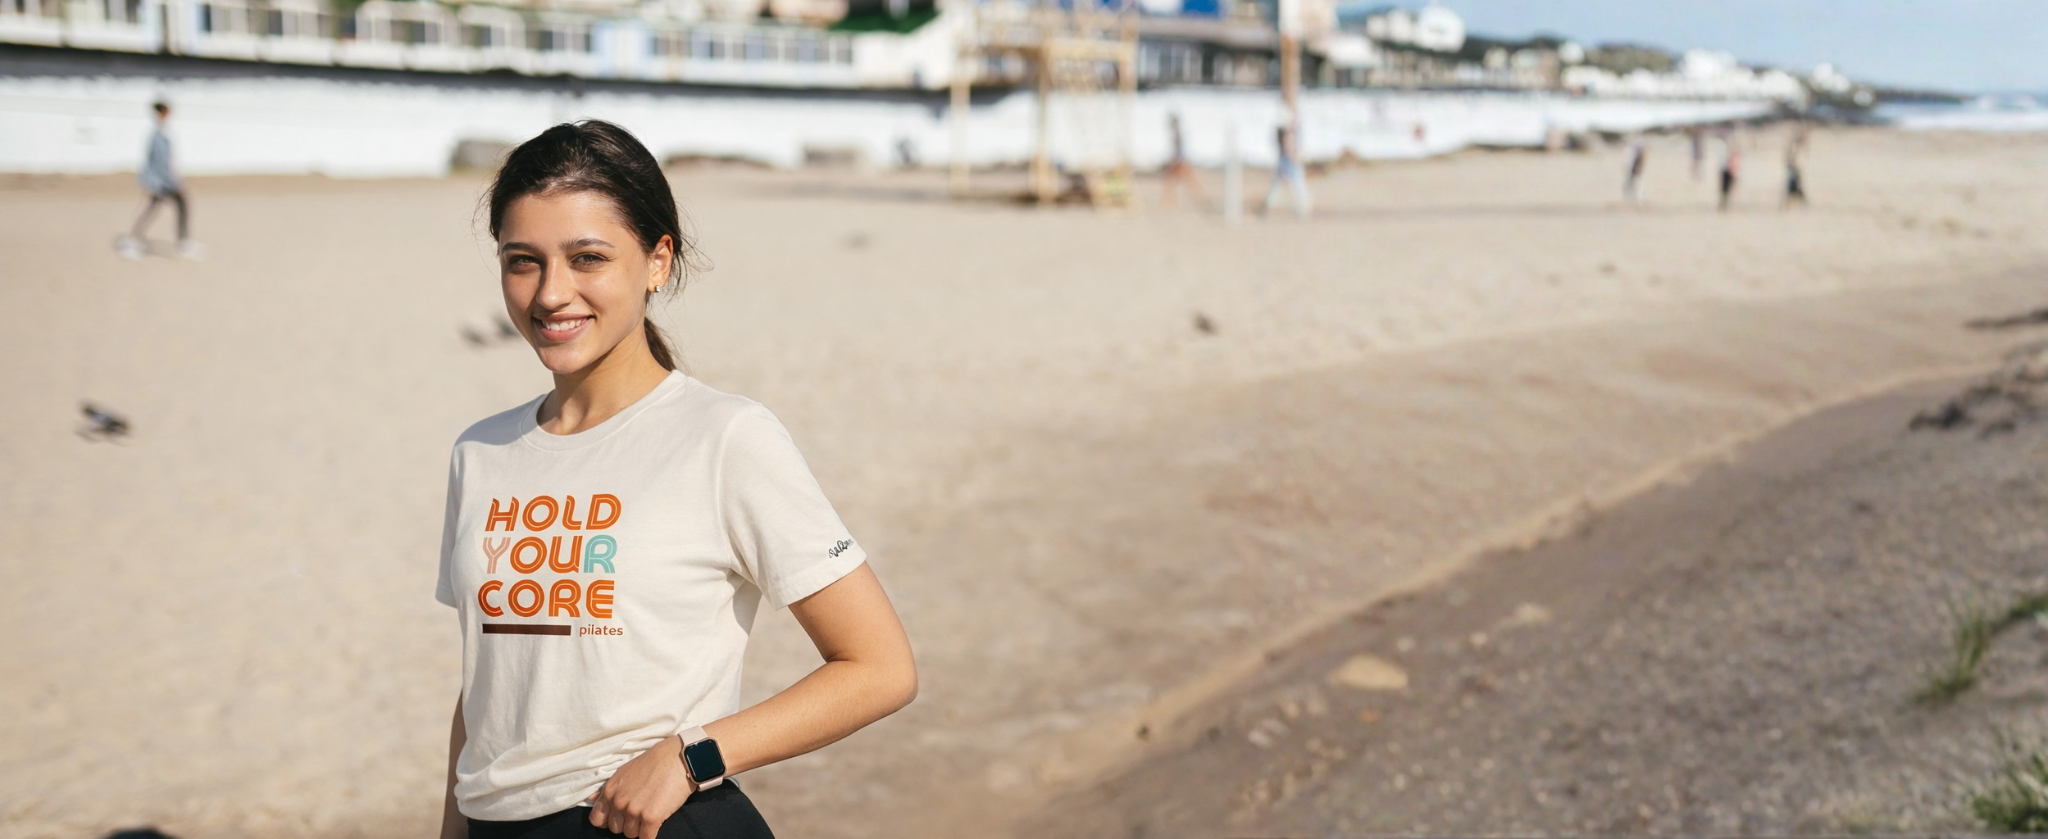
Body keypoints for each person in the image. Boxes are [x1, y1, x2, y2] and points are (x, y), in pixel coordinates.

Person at [436, 120, 917, 839]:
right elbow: (490, 682)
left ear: (657, 261)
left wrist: (694, 756)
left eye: (588, 258)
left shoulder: (725, 438)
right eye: (523, 261)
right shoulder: (481, 451)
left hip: (650, 822)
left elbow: (880, 666)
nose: (552, 293)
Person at [120, 101, 203, 260]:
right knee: (162, 207)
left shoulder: (161, 133)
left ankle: (136, 240)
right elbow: (161, 163)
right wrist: (174, 182)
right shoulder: (157, 135)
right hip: (159, 182)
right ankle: (135, 241)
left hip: (160, 181)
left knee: (158, 208)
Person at [1259, 123, 1311, 219]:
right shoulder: (1287, 137)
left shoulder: (1292, 136)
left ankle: (1302, 210)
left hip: (1292, 163)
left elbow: (1292, 151)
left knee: (1298, 189)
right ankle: (1267, 207)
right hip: (1287, 162)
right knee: (1277, 187)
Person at [1160, 112, 1207, 208]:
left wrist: (1177, 160)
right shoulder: (1178, 132)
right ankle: (1202, 199)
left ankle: (1168, 202)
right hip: (1180, 160)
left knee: (1175, 182)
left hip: (1179, 161)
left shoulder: (1177, 133)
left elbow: (1179, 149)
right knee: (1176, 182)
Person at [1782, 123, 1810, 210]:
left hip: (1795, 171)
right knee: (1793, 191)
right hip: (1793, 172)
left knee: (1795, 191)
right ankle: (1788, 207)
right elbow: (1790, 158)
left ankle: (1789, 207)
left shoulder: (1795, 145)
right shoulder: (1793, 146)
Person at [1718, 138, 1741, 212]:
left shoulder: (1731, 151)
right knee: (1725, 189)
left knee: (1727, 189)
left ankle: (1725, 204)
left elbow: (1735, 162)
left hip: (1729, 170)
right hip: (1726, 170)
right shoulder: (1724, 150)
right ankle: (1724, 204)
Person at [1623, 139, 1647, 207]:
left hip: (1635, 169)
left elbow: (1639, 162)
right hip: (1633, 169)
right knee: (1631, 183)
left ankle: (1637, 199)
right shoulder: (1635, 153)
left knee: (1636, 184)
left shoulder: (1639, 154)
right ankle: (1631, 198)